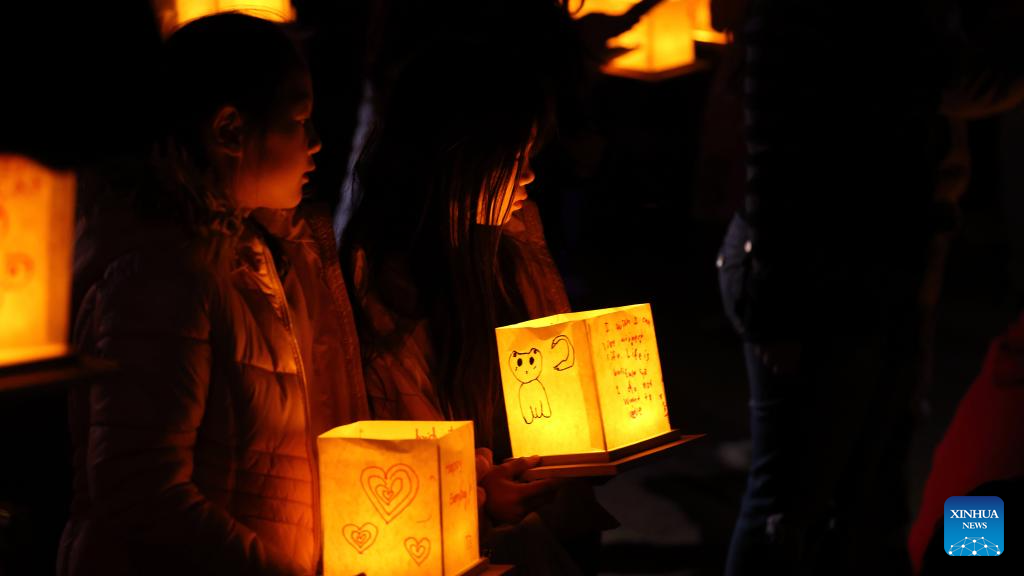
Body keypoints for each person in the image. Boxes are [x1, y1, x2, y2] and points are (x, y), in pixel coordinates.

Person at [59, 14, 367, 575]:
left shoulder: (257, 261)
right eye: (299, 119)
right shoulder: (162, 275)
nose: (318, 142)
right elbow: (140, 489)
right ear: (229, 131)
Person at [342, 2, 615, 573]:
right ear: (456, 162)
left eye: (530, 157)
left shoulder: (512, 247)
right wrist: (487, 496)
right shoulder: (385, 289)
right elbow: (403, 442)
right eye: (513, 160)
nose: (531, 176)